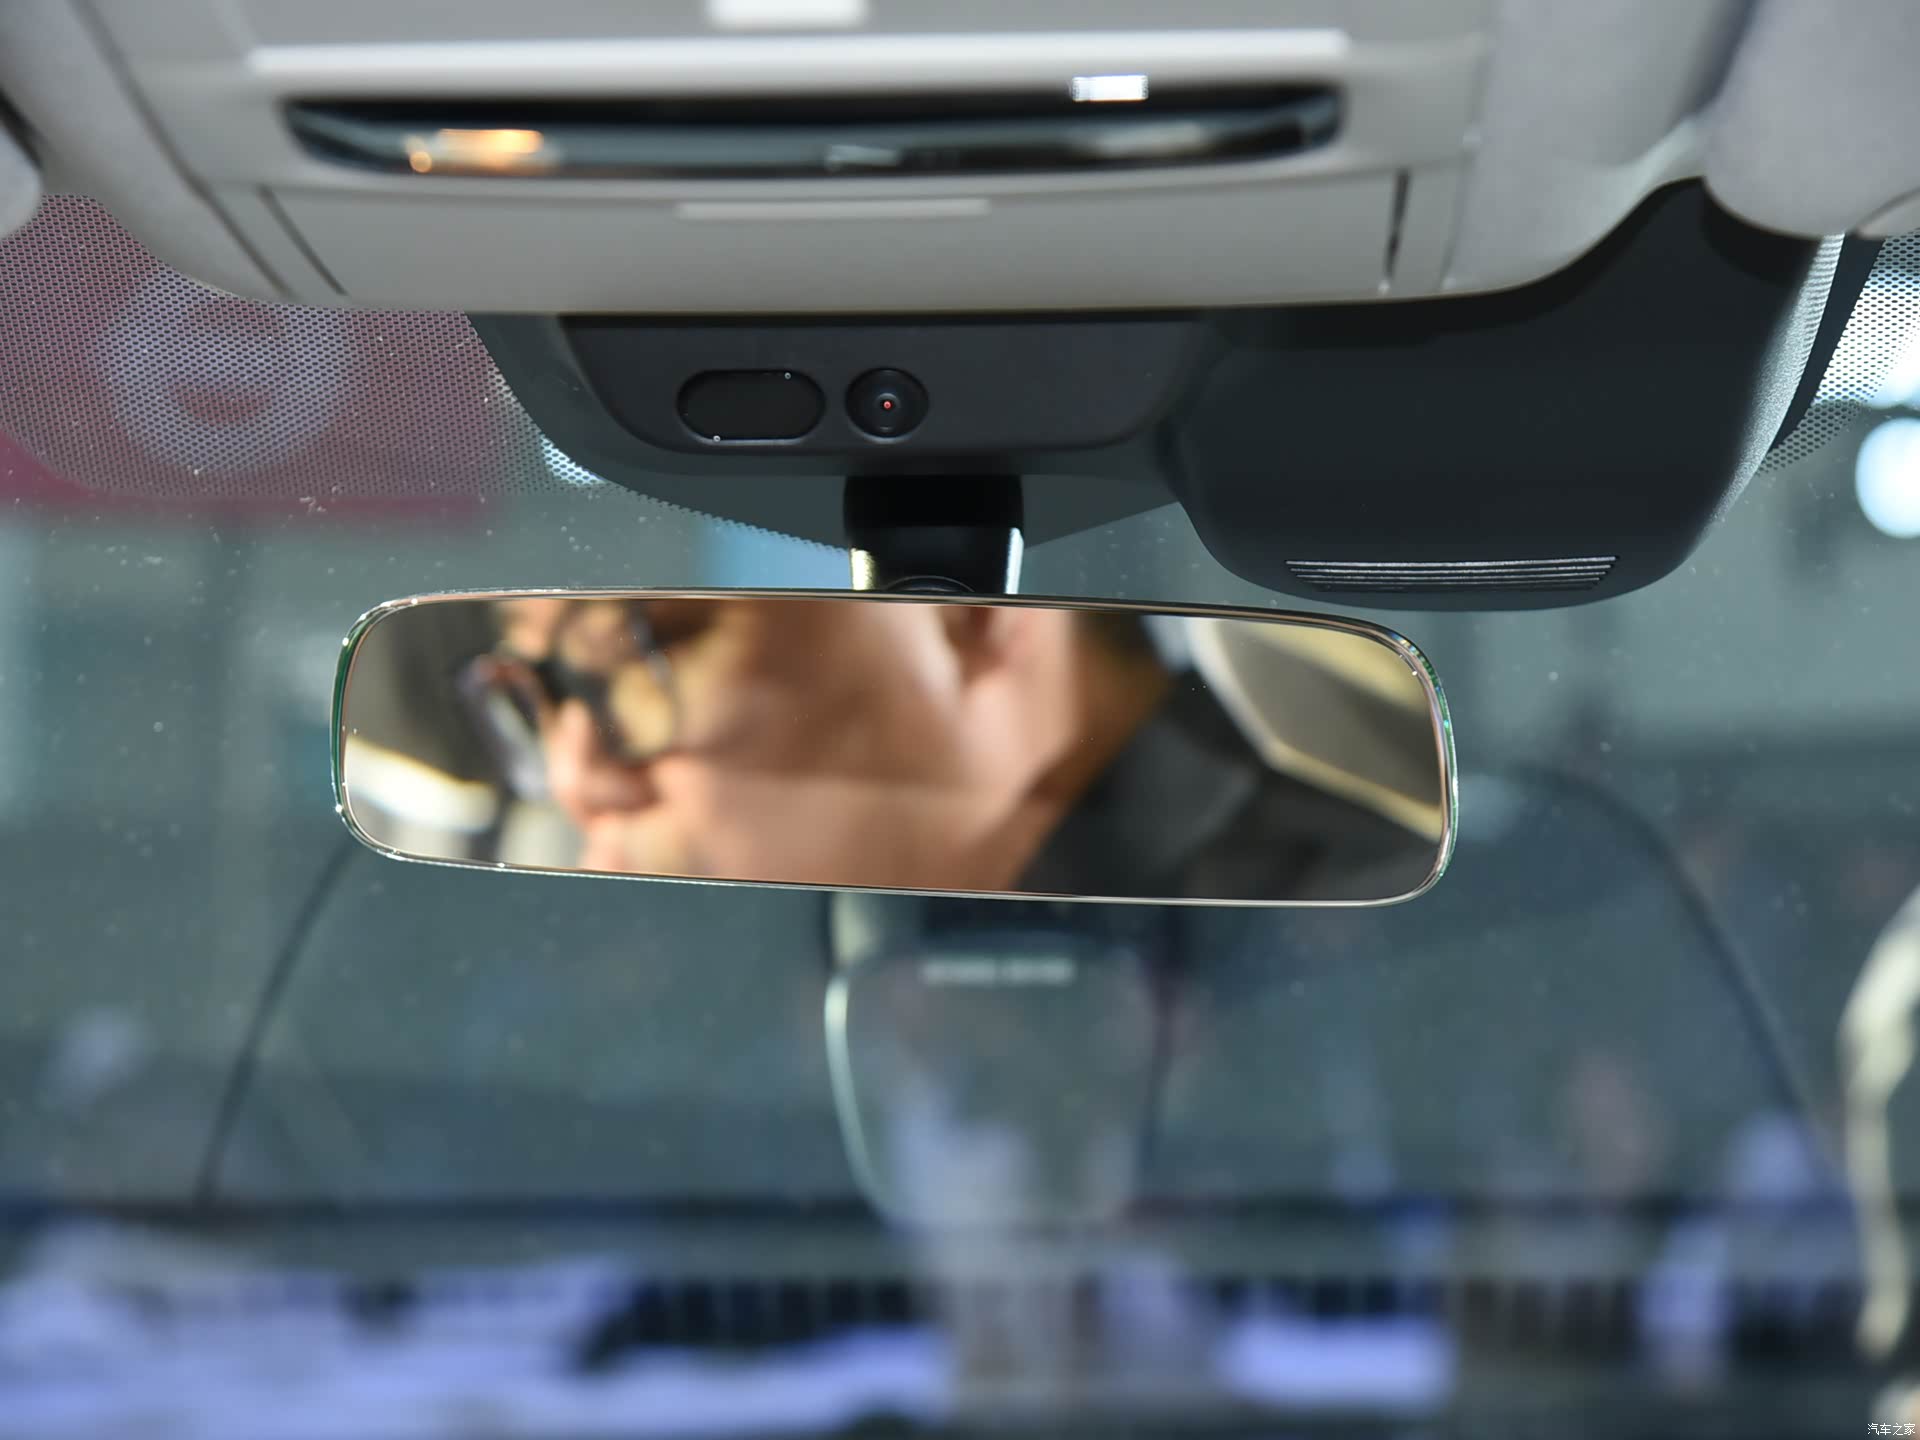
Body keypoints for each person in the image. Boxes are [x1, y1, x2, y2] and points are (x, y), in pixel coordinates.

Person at [458, 595, 1437, 902]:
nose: (573, 777)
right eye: (532, 699)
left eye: (637, 653)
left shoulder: (1345, 925)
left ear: (976, 619)